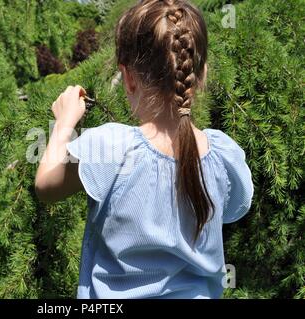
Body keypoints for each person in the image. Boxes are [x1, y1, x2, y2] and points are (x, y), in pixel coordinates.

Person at [34, 0, 254, 299]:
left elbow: (46, 185)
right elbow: (233, 209)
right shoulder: (223, 155)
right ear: (200, 74)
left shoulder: (111, 146)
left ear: (127, 77)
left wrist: (64, 123)